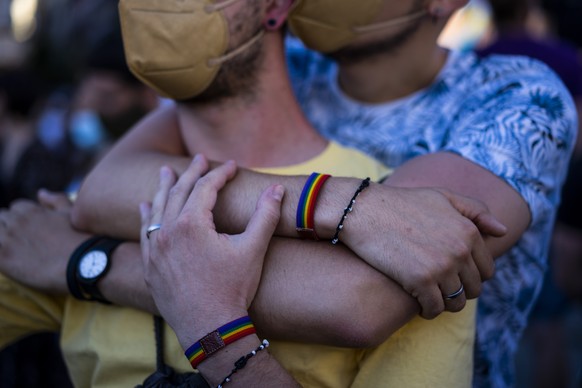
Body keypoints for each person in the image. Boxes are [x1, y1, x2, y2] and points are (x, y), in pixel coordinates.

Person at [70, 0, 576, 387]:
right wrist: (346, 206)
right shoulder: (289, 68)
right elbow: (109, 186)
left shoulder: (516, 97)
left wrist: (91, 264)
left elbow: (357, 299)